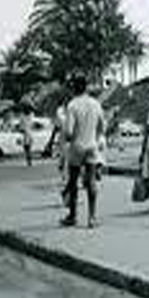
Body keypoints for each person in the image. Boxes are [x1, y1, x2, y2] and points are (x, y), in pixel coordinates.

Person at [61, 74, 106, 229]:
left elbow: (68, 132)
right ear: (86, 87)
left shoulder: (72, 105)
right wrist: (94, 135)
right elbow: (102, 127)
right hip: (92, 146)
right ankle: (92, 217)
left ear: (74, 87)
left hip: (77, 147)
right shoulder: (96, 104)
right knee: (91, 181)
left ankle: (72, 216)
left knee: (73, 182)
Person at [19, 103, 34, 168]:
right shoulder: (31, 115)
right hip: (30, 133)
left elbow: (21, 125)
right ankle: (29, 160)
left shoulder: (22, 116)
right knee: (28, 148)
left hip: (26, 134)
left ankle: (29, 160)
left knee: (27, 148)